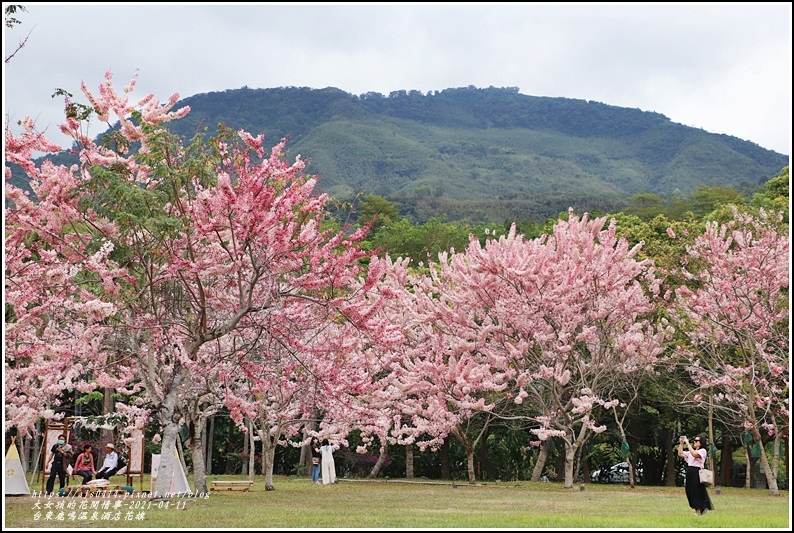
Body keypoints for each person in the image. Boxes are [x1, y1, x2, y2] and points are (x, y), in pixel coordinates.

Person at [678, 434, 714, 516]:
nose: (694, 442)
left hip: (697, 472)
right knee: (689, 490)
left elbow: (695, 454)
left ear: (701, 443)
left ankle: (699, 510)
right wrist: (681, 444)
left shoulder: (703, 451)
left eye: (696, 441)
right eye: (694, 440)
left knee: (696, 491)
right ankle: (699, 508)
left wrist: (687, 443)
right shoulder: (691, 451)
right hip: (690, 471)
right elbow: (680, 454)